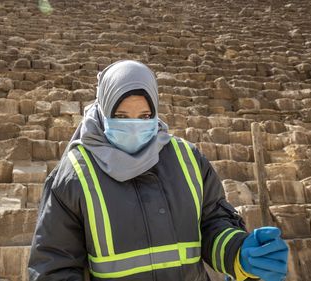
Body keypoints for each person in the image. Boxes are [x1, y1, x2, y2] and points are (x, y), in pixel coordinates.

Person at [28, 60, 289, 281]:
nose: (134, 126)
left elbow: (212, 221)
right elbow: (53, 266)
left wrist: (238, 253)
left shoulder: (188, 159)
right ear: (103, 110)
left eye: (144, 117)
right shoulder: (73, 176)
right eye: (121, 116)